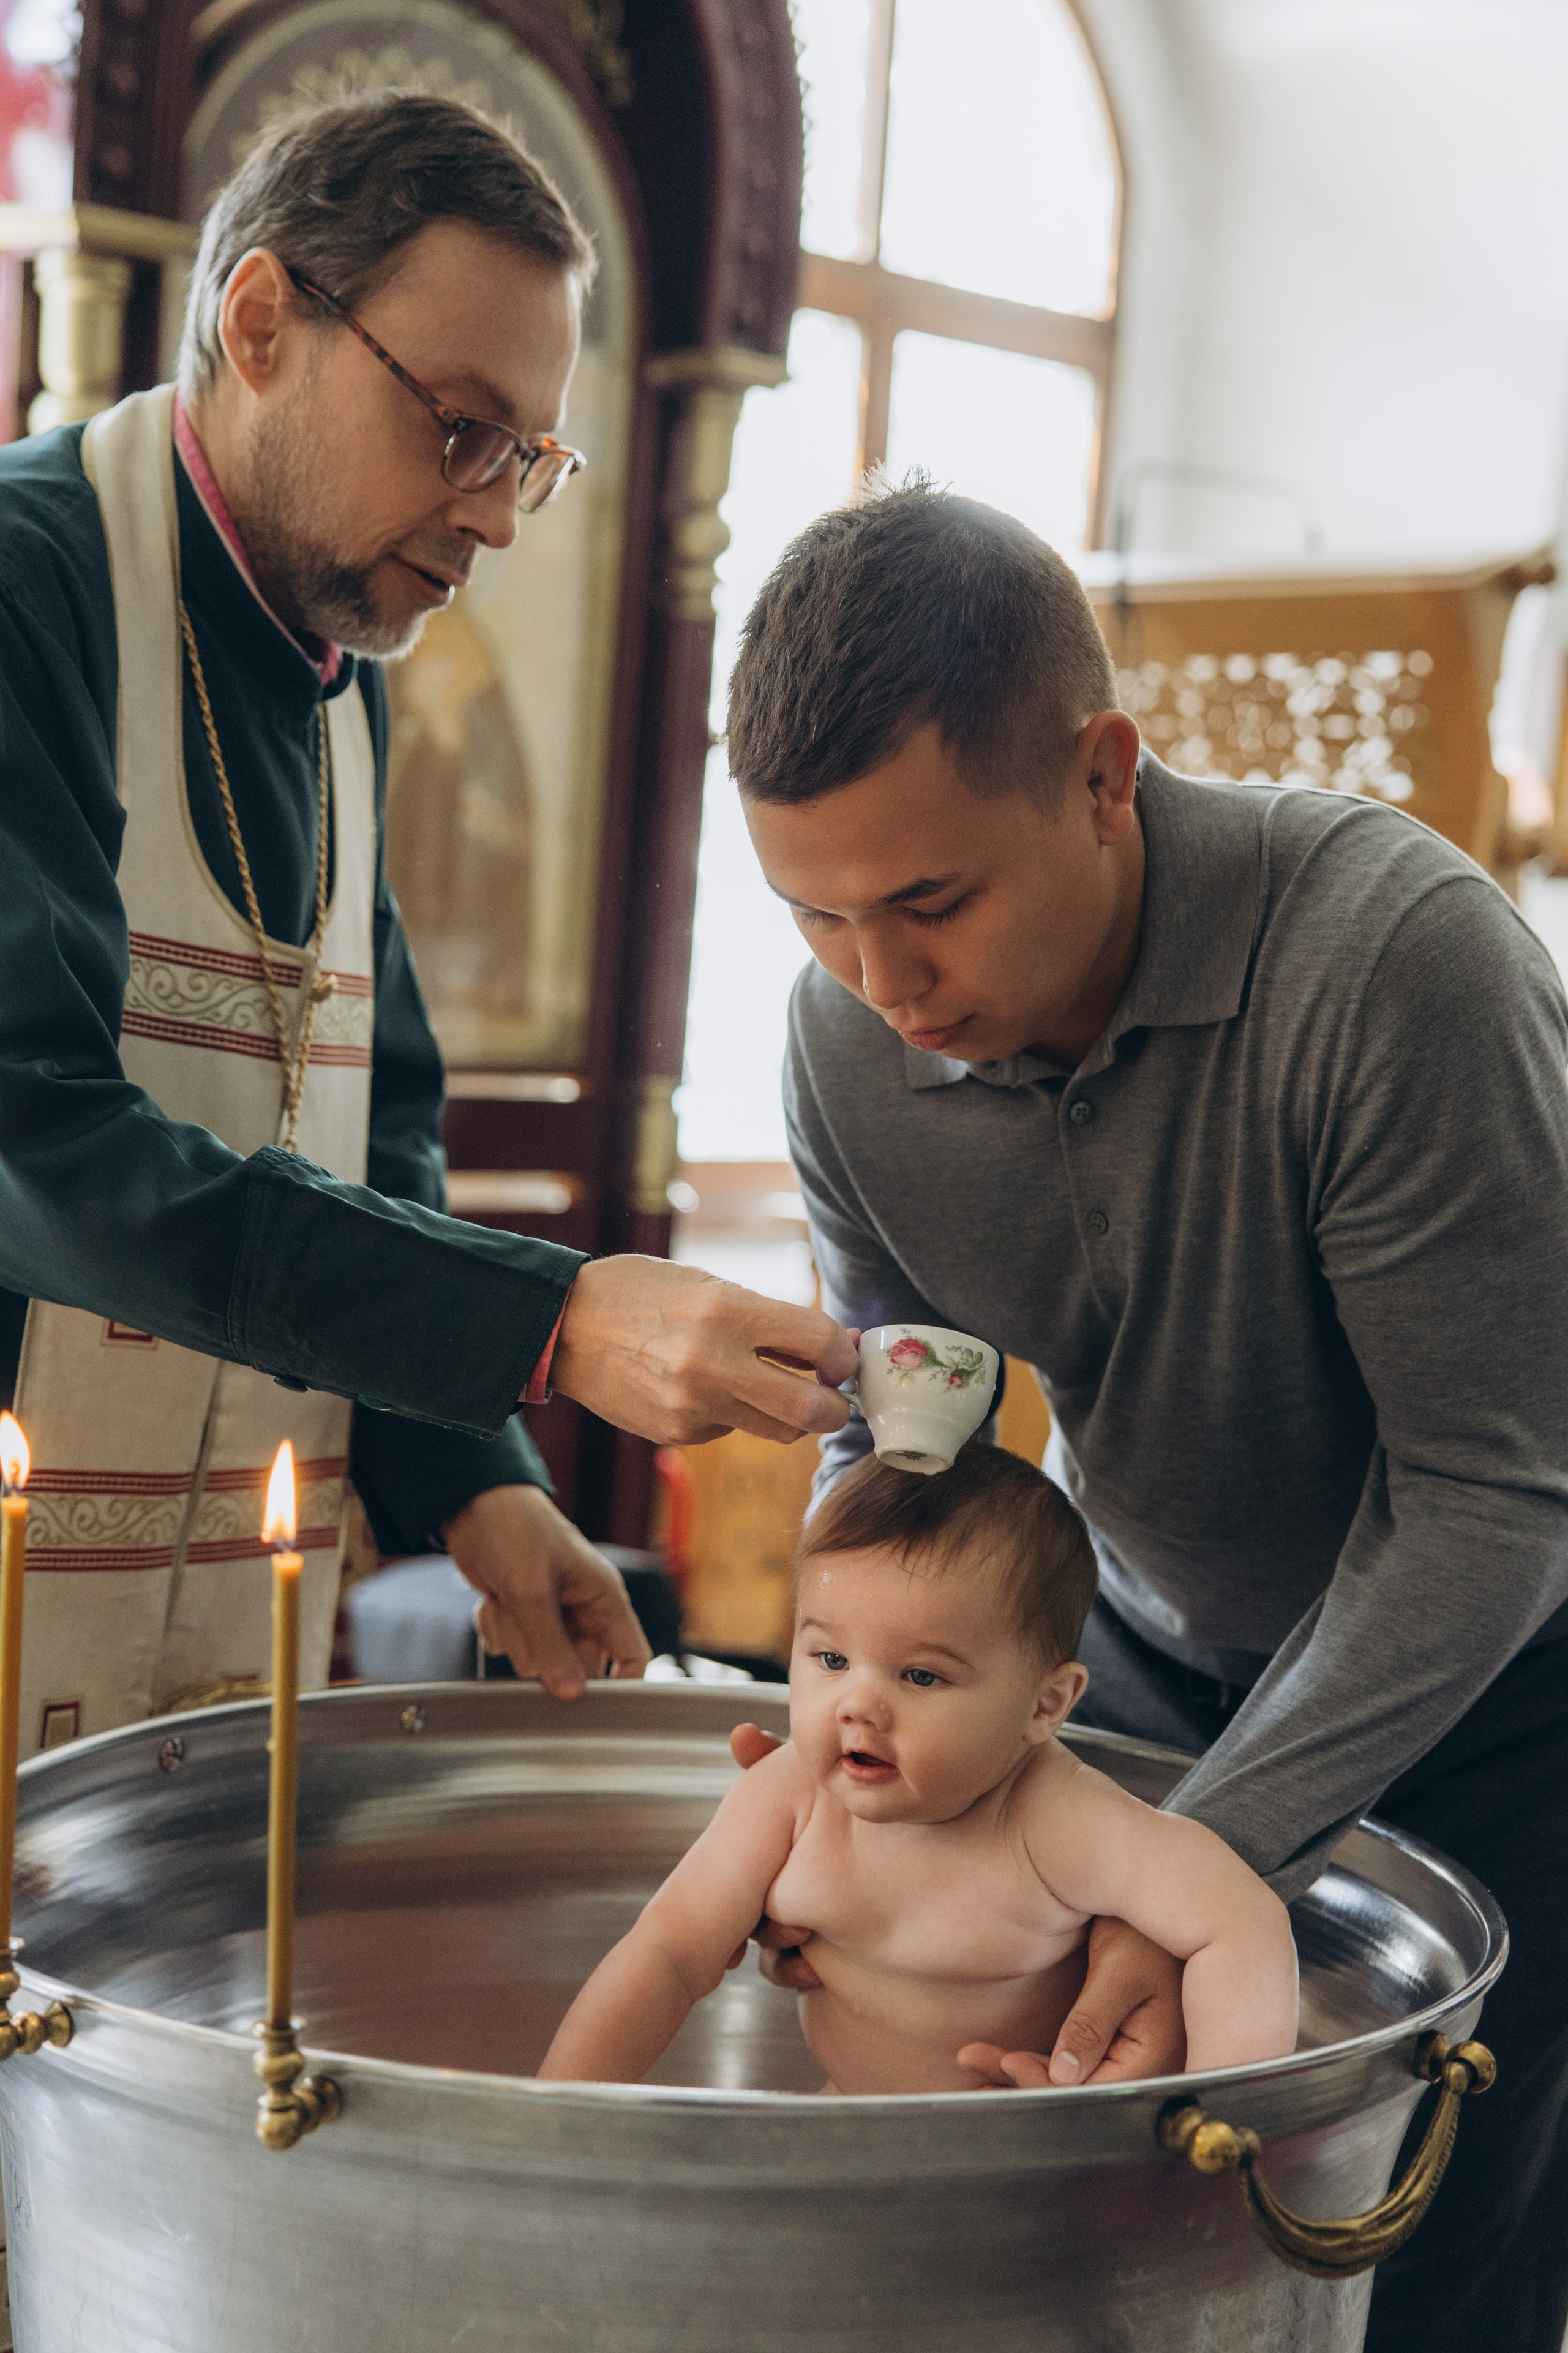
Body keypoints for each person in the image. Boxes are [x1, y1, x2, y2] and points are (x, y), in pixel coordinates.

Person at [722, 481, 1568, 2352]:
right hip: (1131, 1669)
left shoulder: (1394, 964)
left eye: (932, 901)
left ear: (1104, 774)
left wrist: (1198, 1862)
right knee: (1101, 2258)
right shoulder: (841, 1028)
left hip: (1498, 1694)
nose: (886, 987)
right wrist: (843, 1700)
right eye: (818, 916)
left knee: (1402, 2269)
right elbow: (910, 1441)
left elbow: (1489, 1501)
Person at [0, 89, 855, 1755]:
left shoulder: (337, 667)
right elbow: (30, 1144)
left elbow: (363, 1110)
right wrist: (546, 1318)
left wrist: (474, 1479)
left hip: (220, 1628)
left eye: (530, 454)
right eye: (461, 429)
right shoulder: (34, 594)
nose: (500, 514)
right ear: (260, 322)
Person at [540, 1444, 1297, 2091]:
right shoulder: (788, 1799)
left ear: (1045, 1703)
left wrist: (1218, 2126)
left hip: (1038, 2162)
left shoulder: (1057, 1820)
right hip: (852, 2124)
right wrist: (555, 2113)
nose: (857, 1706)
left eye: (921, 1676)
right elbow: (669, 1953)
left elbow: (1239, 1923)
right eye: (830, 1658)